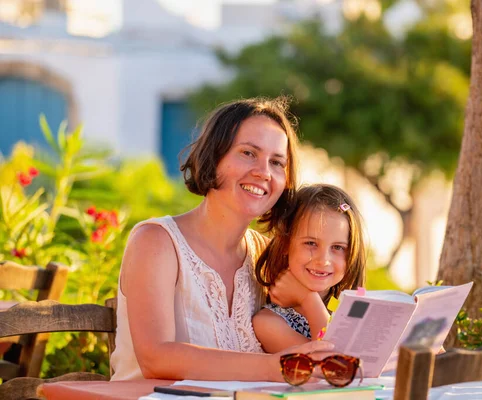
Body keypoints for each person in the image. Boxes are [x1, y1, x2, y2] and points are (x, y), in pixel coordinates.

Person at [110, 97, 334, 381]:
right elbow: (156, 358)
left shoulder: (266, 257)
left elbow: (329, 352)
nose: (263, 172)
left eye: (277, 162)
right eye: (248, 153)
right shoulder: (156, 241)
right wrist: (275, 367)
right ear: (214, 156)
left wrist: (307, 299)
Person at [252, 184, 367, 353]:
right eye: (311, 243)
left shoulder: (355, 309)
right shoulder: (268, 323)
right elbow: (333, 364)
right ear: (286, 243)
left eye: (338, 247)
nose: (323, 260)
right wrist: (308, 299)